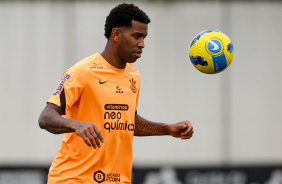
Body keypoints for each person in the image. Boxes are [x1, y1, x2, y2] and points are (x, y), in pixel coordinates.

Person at [38, 3, 194, 184]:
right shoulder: (83, 71)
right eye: (137, 36)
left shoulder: (133, 75)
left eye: (144, 37)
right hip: (74, 179)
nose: (142, 44)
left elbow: (127, 121)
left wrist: (167, 129)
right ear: (116, 35)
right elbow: (46, 117)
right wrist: (77, 125)